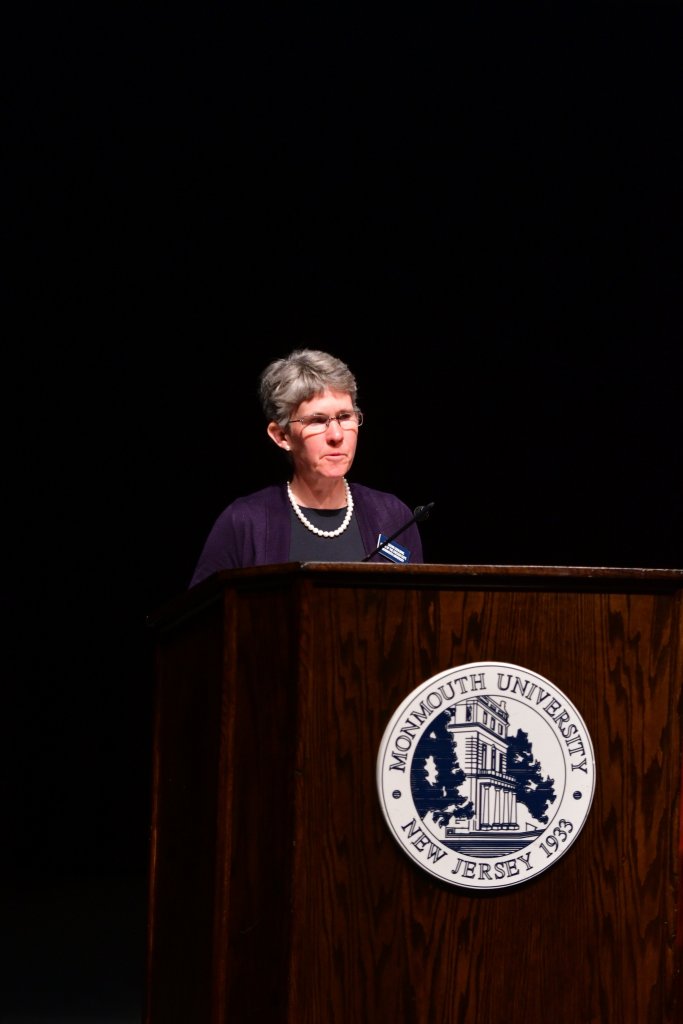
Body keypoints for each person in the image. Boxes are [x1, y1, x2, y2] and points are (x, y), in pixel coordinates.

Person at [189, 348, 425, 585]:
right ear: (282, 436)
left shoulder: (392, 516)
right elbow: (201, 619)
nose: (336, 435)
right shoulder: (244, 522)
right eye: (317, 421)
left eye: (345, 417)